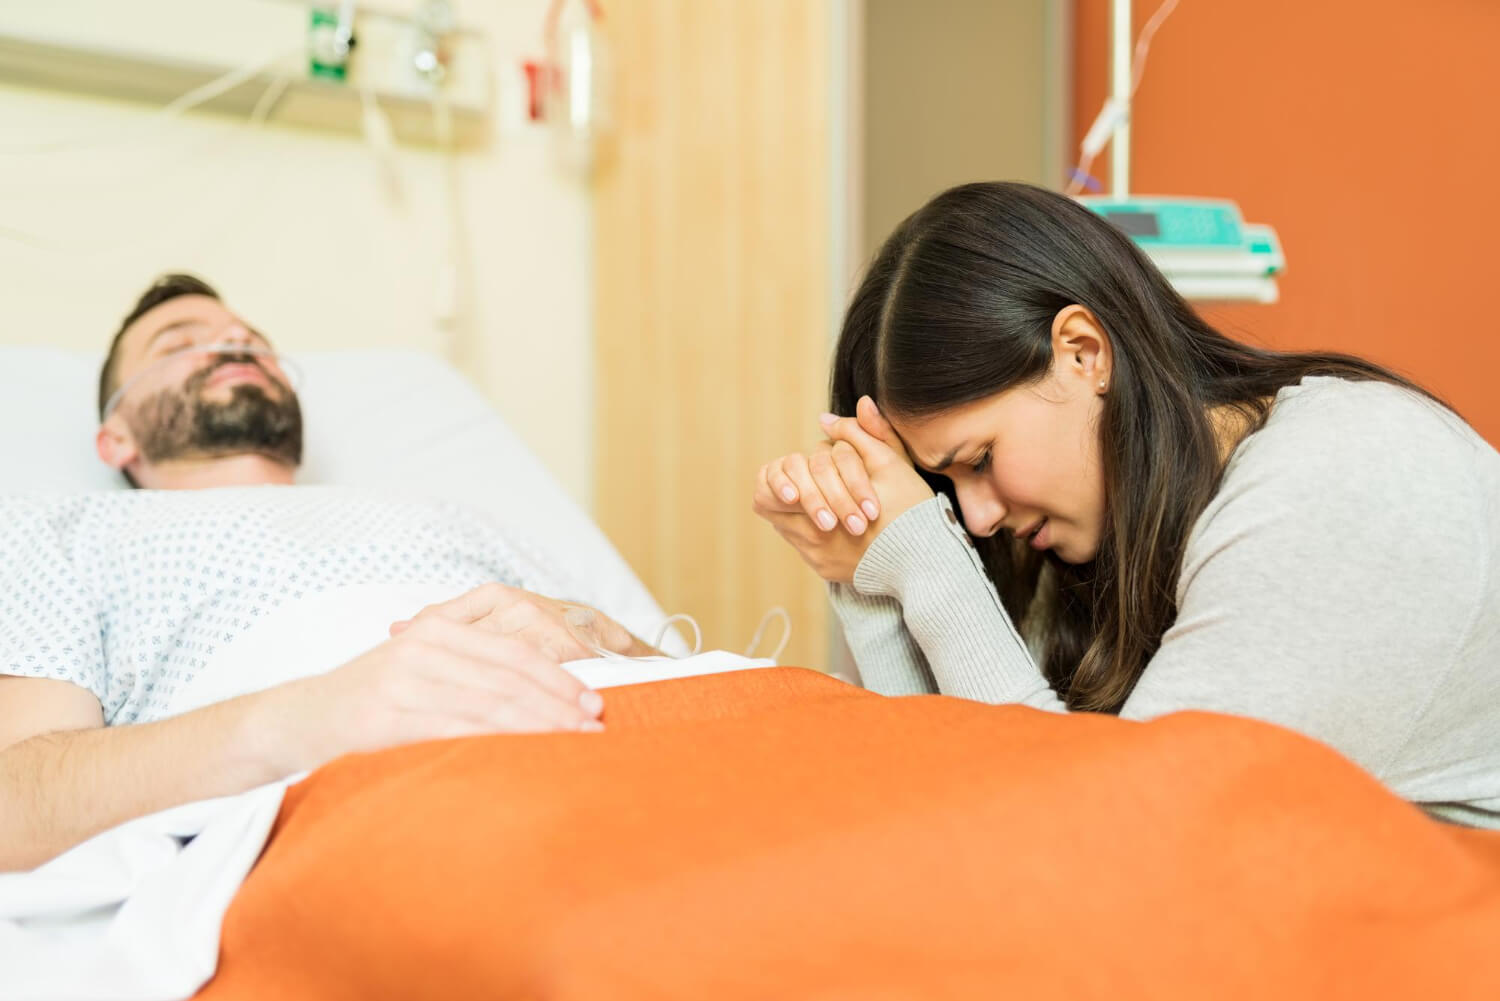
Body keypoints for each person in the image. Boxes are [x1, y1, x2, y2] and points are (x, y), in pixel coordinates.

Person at [753, 181, 1500, 827]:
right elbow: (966, 816)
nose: (975, 518)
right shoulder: (1094, 537)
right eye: (943, 488)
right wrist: (874, 580)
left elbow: (1103, 848)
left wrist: (925, 562)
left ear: (1084, 352)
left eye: (979, 459)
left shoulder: (1335, 484)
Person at [0, 274, 652, 872]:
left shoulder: (445, 513)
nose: (233, 343)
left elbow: (683, 670)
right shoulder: (75, 532)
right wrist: (307, 718)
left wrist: (602, 632)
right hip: (385, 815)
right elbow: (17, 805)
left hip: (628, 740)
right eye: (179, 343)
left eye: (251, 340)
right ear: (115, 438)